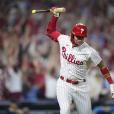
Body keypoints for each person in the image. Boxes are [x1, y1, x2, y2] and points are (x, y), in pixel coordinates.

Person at [46, 7, 114, 114]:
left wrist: (111, 83)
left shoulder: (90, 51)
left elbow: (102, 66)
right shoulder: (64, 40)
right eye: (77, 36)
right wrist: (55, 16)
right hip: (64, 83)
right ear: (72, 33)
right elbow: (50, 31)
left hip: (81, 86)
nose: (79, 39)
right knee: (65, 110)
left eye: (82, 37)